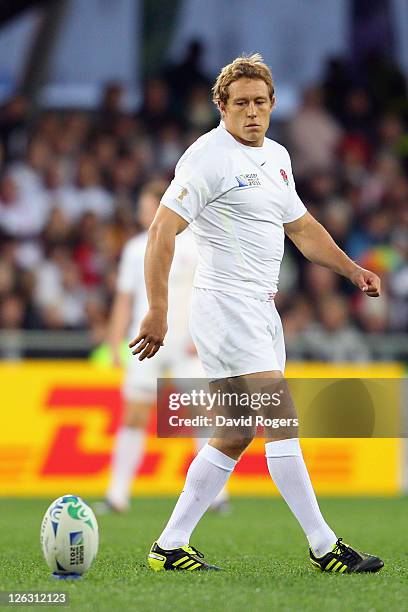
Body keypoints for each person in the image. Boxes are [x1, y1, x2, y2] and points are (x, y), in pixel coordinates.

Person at [130, 54, 383, 573]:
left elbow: (304, 229)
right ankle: (324, 546)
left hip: (261, 310)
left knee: (236, 429)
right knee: (280, 417)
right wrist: (158, 309)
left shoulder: (277, 156)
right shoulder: (206, 158)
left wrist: (353, 270)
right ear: (220, 105)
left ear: (272, 105)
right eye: (240, 103)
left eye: (261, 103)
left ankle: (169, 545)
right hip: (226, 305)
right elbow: (161, 230)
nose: (252, 113)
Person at [101, 179, 229, 513]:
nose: (143, 214)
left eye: (147, 207)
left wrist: (205, 337)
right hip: (142, 342)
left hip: (187, 343)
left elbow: (212, 295)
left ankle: (217, 496)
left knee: (203, 416)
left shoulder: (196, 244)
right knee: (134, 414)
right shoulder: (133, 248)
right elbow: (124, 300)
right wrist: (115, 343)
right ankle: (117, 495)